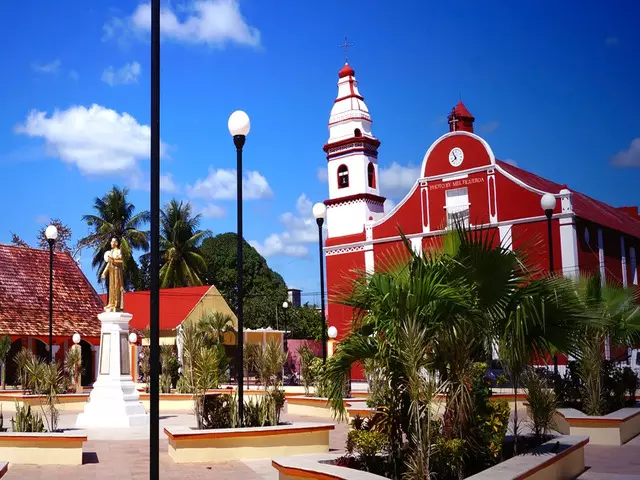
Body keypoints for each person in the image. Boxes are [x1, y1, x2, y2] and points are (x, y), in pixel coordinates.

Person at [102, 237, 125, 312]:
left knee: (117, 287)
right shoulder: (111, 252)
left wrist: (113, 260)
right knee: (111, 287)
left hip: (117, 271)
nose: (111, 243)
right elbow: (109, 263)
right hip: (111, 271)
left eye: (113, 242)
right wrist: (104, 272)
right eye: (111, 241)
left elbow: (121, 260)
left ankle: (116, 303)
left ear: (116, 243)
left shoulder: (119, 251)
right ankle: (111, 303)